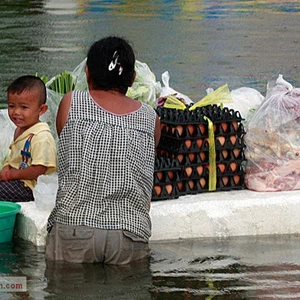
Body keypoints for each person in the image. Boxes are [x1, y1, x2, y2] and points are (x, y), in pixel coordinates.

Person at [46, 36, 161, 265]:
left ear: (87, 73)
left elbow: (68, 148)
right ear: (133, 79)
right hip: (129, 233)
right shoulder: (151, 118)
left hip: (74, 227)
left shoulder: (71, 102)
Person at [0, 75, 57, 202]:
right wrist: (6, 167)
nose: (16, 112)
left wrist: (11, 175)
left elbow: (39, 169)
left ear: (41, 109)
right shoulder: (20, 130)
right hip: (17, 181)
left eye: (24, 107)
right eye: (11, 106)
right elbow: (13, 157)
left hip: (32, 187)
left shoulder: (41, 136)